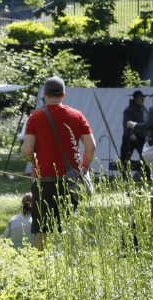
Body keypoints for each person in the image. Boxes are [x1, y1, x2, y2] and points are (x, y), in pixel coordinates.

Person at [22, 76, 97, 250]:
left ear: (45, 95)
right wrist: (85, 167)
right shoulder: (77, 116)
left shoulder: (35, 118)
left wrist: (34, 161)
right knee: (72, 222)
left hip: (44, 180)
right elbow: (91, 146)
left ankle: (41, 266)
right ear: (63, 95)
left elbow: (27, 151)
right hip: (71, 180)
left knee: (41, 228)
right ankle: (74, 262)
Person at [120, 90, 149, 168]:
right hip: (130, 137)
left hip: (141, 137)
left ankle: (147, 176)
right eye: (141, 98)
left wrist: (147, 134)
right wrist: (131, 134)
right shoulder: (129, 109)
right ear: (136, 99)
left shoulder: (144, 109)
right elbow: (126, 123)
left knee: (145, 157)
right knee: (125, 157)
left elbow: (146, 122)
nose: (143, 100)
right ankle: (124, 176)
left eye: (143, 98)